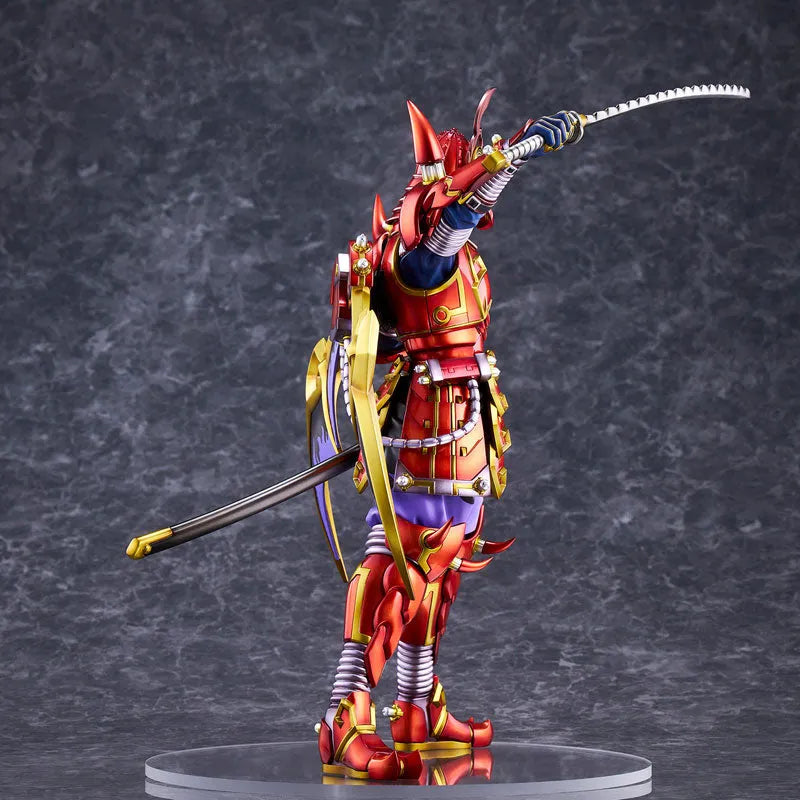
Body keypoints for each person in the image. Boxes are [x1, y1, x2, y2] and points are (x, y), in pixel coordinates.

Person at [307, 90, 579, 780]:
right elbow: (451, 222)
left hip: (467, 428)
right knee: (399, 567)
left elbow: (462, 218)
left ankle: (417, 709)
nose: (466, 211)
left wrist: (516, 153)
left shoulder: (465, 262)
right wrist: (514, 159)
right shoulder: (419, 258)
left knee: (444, 570)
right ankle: (343, 718)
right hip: (421, 431)